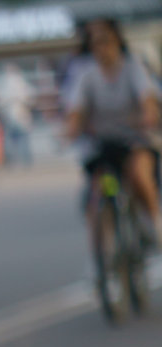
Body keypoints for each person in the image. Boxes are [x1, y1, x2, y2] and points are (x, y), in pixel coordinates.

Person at [65, 19, 161, 241]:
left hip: (133, 140)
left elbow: (147, 98)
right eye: (95, 43)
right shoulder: (86, 75)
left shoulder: (132, 67)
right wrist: (72, 128)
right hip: (103, 145)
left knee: (139, 173)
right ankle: (102, 252)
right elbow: (76, 110)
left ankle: (155, 223)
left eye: (105, 41)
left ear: (117, 41)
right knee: (97, 192)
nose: (101, 48)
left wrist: (148, 115)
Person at [0, 63, 36, 166]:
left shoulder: (20, 81)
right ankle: (16, 161)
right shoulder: (4, 83)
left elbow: (30, 97)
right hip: (11, 115)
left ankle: (24, 161)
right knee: (13, 141)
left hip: (20, 115)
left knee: (21, 140)